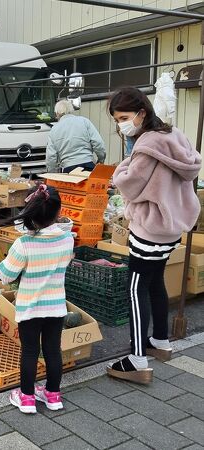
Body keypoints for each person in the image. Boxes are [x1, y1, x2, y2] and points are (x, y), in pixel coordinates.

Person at [107, 87, 201, 384]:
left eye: (123, 117)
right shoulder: (174, 135)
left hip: (149, 229)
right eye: (117, 119)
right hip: (171, 227)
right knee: (156, 281)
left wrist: (121, 168)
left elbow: (129, 185)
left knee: (135, 289)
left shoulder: (147, 145)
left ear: (141, 113)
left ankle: (136, 359)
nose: (120, 124)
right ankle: (160, 341)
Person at [0, 184, 73, 414]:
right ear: (58, 212)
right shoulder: (67, 239)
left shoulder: (24, 244)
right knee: (53, 350)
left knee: (30, 351)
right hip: (56, 307)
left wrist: (5, 262)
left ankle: (27, 397)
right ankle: (53, 395)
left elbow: (5, 275)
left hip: (30, 308)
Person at [46, 100, 106, 173]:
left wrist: (52, 173)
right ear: (71, 110)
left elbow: (51, 157)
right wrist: (101, 160)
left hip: (68, 169)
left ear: (57, 113)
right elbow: (98, 143)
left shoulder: (54, 130)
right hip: (88, 166)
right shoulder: (84, 121)